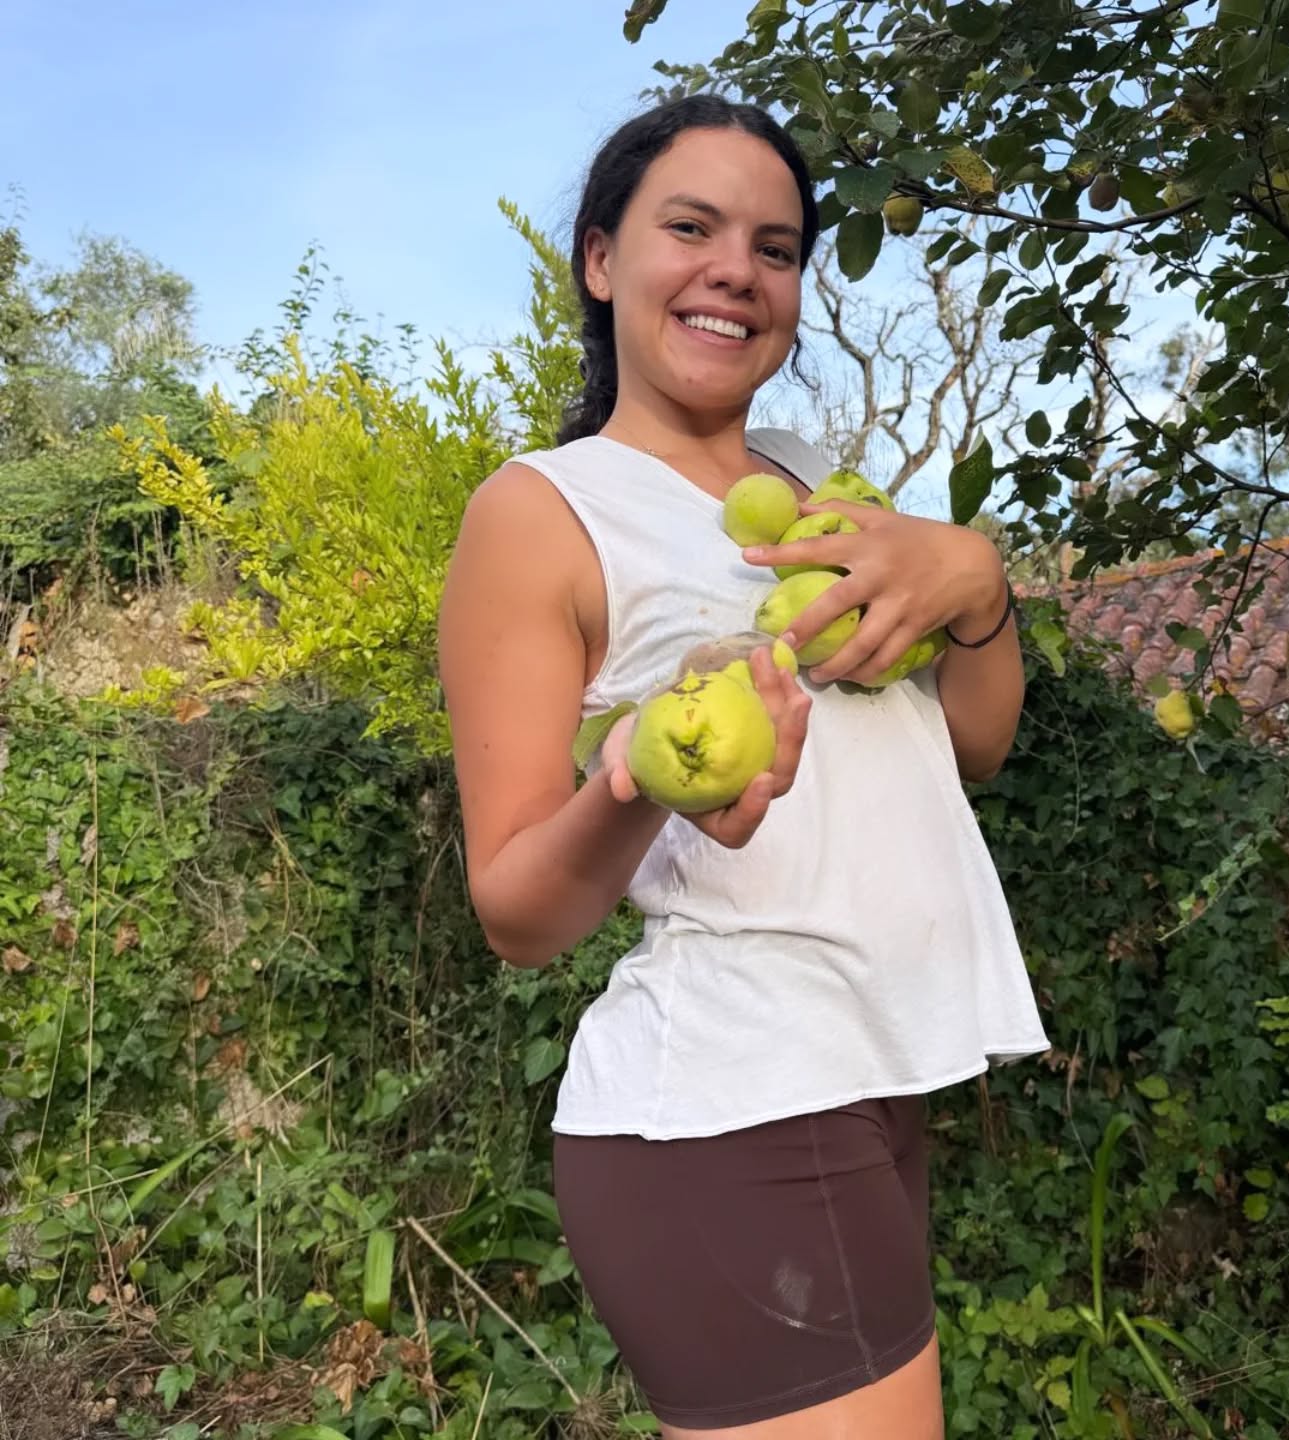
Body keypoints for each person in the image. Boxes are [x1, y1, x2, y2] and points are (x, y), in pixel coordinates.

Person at [438, 94, 1049, 1439]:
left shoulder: (816, 491)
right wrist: (642, 779)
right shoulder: (543, 513)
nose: (737, 270)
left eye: (775, 247)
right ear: (601, 260)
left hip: (866, 1080)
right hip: (731, 1110)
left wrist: (974, 583)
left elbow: (971, 745)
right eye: (692, 226)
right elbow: (516, 912)